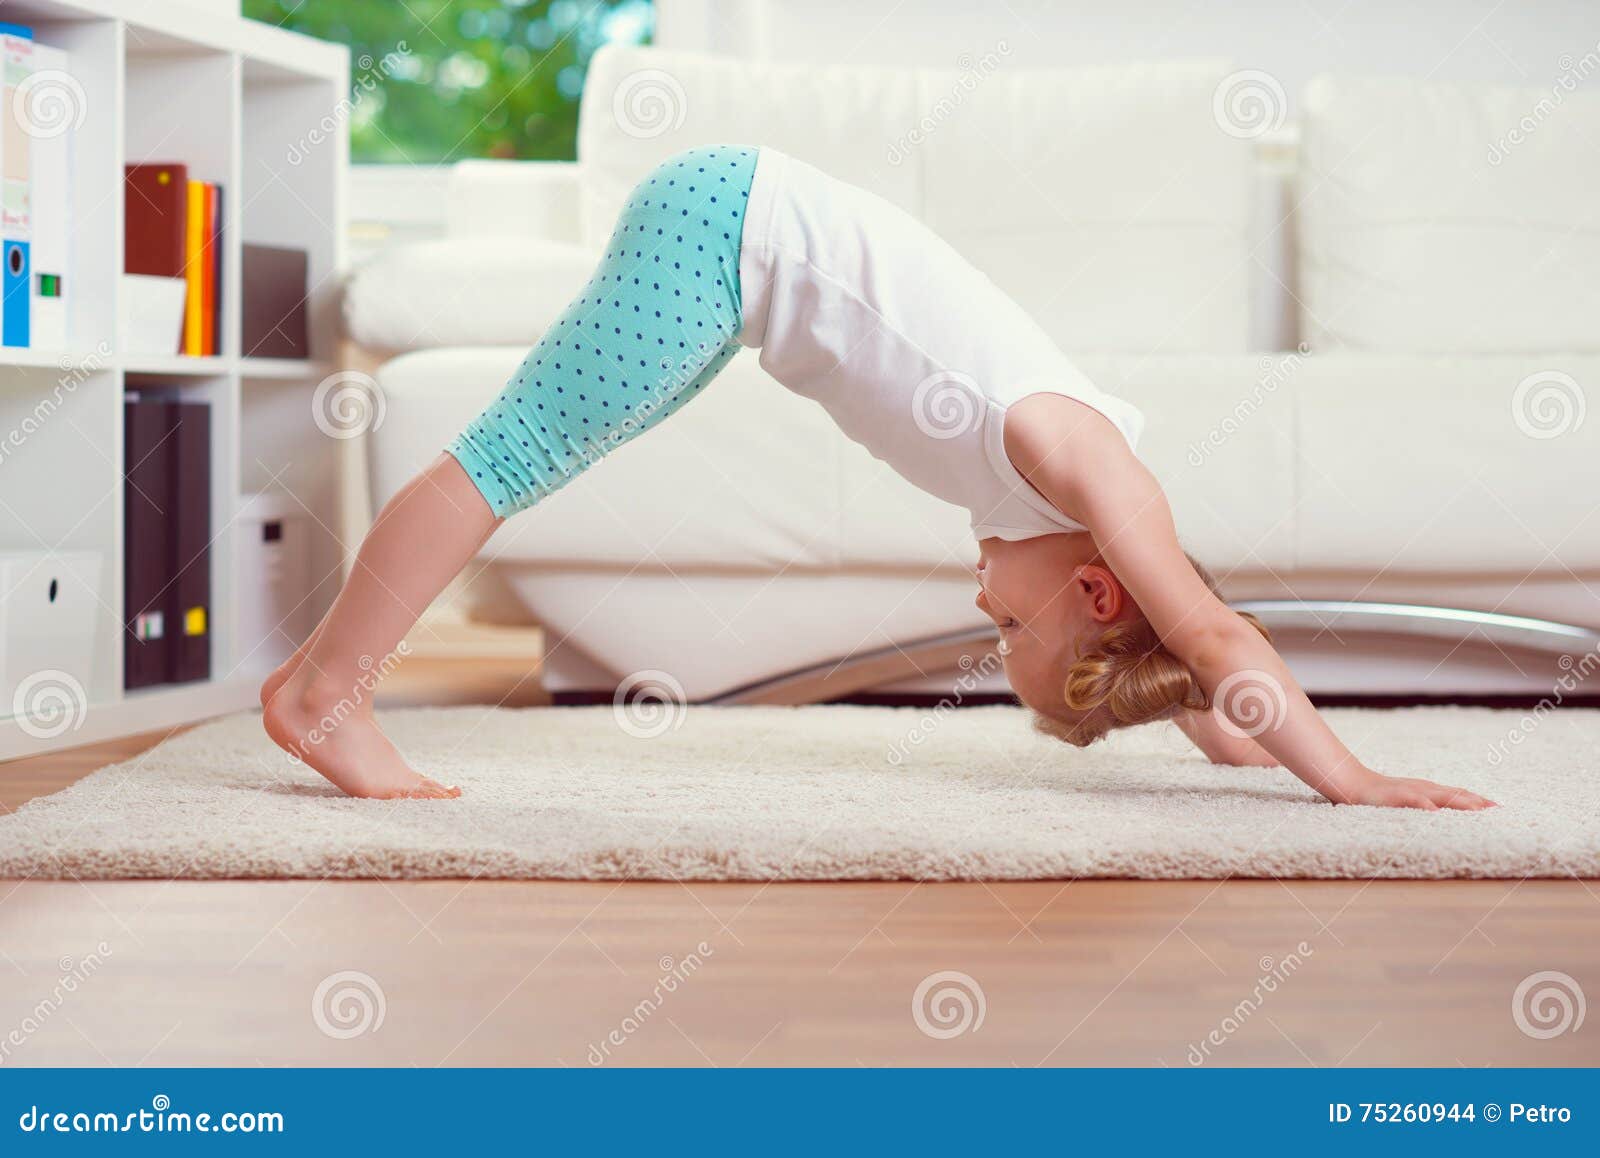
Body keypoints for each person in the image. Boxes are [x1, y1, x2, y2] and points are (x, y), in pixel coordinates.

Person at [261, 144, 1494, 812]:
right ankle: (331, 692)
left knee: (529, 455)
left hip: (732, 252)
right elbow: (1210, 628)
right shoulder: (1083, 465)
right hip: (723, 231)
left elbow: (1186, 652)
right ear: (1104, 591)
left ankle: (316, 679)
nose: (981, 603)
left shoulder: (1081, 533)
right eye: (1010, 624)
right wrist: (1352, 778)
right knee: (511, 457)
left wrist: (1227, 742)